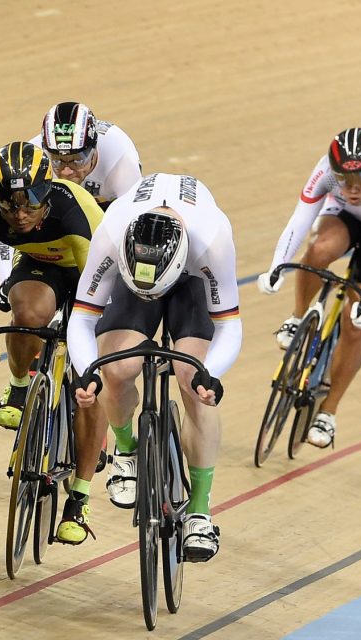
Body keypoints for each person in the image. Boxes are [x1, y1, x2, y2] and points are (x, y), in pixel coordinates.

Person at [67, 172, 242, 562]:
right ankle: (126, 452)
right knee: (116, 367)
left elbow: (230, 324)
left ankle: (199, 510)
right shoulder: (112, 235)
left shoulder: (212, 243)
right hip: (136, 277)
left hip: (191, 280)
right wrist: (88, 371)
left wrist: (209, 373)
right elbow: (81, 318)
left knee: (193, 384)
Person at [257, 127, 361, 449]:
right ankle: (298, 316)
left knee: (353, 322)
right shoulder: (326, 173)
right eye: (343, 180)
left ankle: (328, 412)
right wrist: (277, 265)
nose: (351, 188)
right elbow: (299, 220)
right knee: (317, 251)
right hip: (343, 218)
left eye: (360, 180)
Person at [0, 141, 108, 545]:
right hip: (41, 266)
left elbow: (100, 288)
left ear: (48, 191)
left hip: (90, 271)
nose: (20, 215)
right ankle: (20, 388)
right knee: (28, 316)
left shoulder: (73, 211)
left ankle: (79, 496)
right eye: (11, 206)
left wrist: (87, 342)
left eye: (32, 203)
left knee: (88, 382)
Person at [0, 101, 145, 307]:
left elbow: (133, 221)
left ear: (94, 149)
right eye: (57, 161)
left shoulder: (120, 160)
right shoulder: (35, 157)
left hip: (108, 208)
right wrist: (5, 277)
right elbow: (4, 216)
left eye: (76, 160)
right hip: (56, 213)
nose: (66, 171)